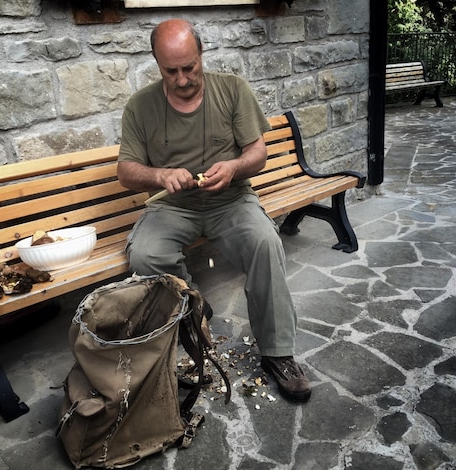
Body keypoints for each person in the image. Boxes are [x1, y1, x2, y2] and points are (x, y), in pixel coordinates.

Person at [117, 19, 311, 402]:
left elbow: (258, 154)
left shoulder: (232, 90)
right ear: (156, 64)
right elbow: (126, 171)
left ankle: (278, 353)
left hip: (231, 200)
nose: (182, 78)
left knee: (265, 244)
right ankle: (193, 307)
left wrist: (235, 167)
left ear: (201, 54)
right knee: (144, 253)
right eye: (171, 70)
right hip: (173, 207)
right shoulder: (140, 106)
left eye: (189, 67)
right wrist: (160, 175)